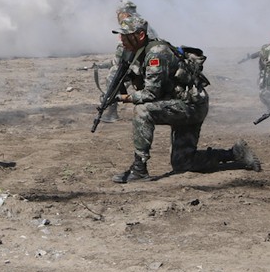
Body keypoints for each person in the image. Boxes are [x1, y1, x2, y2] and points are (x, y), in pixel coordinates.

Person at [110, 15, 261, 183]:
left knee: (142, 110)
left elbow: (150, 94)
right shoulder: (137, 52)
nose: (121, 39)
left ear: (140, 35)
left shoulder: (156, 53)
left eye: (126, 35)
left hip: (190, 106)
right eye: (120, 35)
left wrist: (122, 98)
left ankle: (139, 169)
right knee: (182, 163)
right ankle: (234, 153)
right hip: (179, 104)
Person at [101, 0, 157, 123]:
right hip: (140, 63)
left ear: (124, 13)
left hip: (143, 65)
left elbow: (127, 53)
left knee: (113, 75)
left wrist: (116, 65)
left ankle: (112, 112)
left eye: (119, 12)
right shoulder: (139, 23)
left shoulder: (131, 26)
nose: (117, 15)